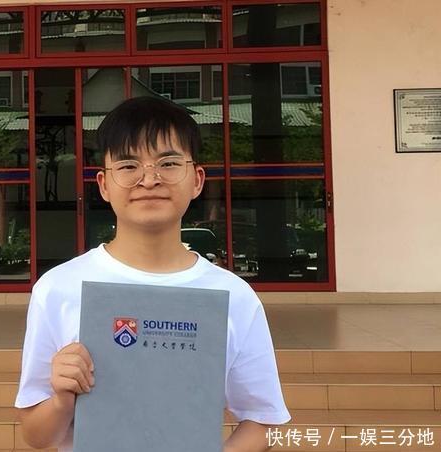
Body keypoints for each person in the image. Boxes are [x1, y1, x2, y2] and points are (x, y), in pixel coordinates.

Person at [15, 96, 290, 451]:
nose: (149, 179)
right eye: (128, 165)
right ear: (103, 184)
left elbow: (265, 420)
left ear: (197, 180)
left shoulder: (234, 296)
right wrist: (61, 400)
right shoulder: (58, 288)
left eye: (168, 163)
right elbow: (36, 436)